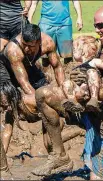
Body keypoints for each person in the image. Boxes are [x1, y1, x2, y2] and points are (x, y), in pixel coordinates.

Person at [32, 4, 103, 180]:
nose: (96, 30)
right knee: (43, 95)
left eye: (100, 25)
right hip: (91, 113)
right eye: (95, 25)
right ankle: (60, 155)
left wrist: (90, 95)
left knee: (97, 178)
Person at [1, 23, 65, 155]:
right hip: (7, 72)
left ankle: (52, 153)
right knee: (11, 111)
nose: (25, 48)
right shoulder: (14, 50)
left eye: (30, 46)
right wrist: (42, 104)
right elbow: (24, 84)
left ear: (38, 42)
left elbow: (57, 67)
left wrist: (64, 91)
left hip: (29, 68)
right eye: (24, 44)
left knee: (48, 109)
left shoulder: (48, 42)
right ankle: (2, 158)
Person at [61, 35, 103, 113]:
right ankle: (73, 102)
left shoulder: (93, 61)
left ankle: (94, 99)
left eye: (74, 49)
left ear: (83, 51)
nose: (72, 51)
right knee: (66, 83)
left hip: (91, 89)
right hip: (79, 91)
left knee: (91, 72)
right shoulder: (76, 66)